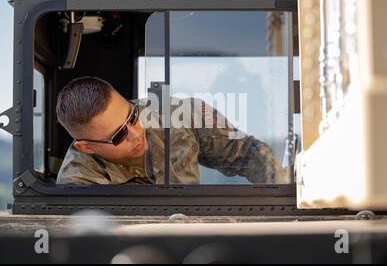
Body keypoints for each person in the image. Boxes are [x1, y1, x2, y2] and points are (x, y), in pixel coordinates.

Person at [56, 76, 288, 185]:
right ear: (85, 147)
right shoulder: (77, 183)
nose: (136, 133)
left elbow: (248, 153)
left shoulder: (179, 116)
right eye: (119, 136)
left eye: (133, 116)